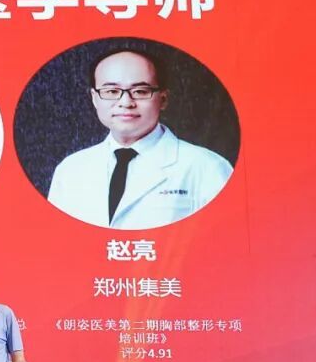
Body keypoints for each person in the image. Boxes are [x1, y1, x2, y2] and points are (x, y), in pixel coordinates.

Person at [47, 49, 233, 229]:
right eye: (111, 91)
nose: (126, 103)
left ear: (163, 99)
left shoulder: (207, 167)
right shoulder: (70, 170)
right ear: (95, 98)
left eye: (140, 91)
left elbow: (226, 242)